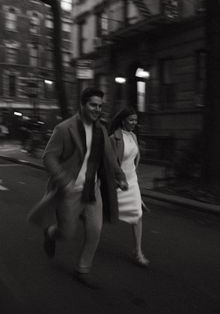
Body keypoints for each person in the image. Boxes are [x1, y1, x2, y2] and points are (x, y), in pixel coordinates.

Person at [28, 87, 128, 288]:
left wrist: (120, 176)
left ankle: (83, 269)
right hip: (70, 191)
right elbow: (48, 157)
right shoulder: (64, 129)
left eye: (100, 106)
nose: (97, 109)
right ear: (82, 105)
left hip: (93, 189)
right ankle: (50, 234)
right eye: (93, 105)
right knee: (66, 233)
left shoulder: (101, 130)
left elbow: (109, 158)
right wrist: (64, 181)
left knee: (95, 231)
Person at [109, 107, 150, 267]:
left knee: (137, 215)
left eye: (136, 120)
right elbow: (110, 163)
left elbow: (135, 157)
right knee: (99, 212)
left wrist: (133, 175)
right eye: (131, 120)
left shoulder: (133, 136)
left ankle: (138, 252)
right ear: (123, 120)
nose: (134, 123)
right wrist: (118, 180)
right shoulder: (114, 138)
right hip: (118, 183)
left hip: (131, 182)